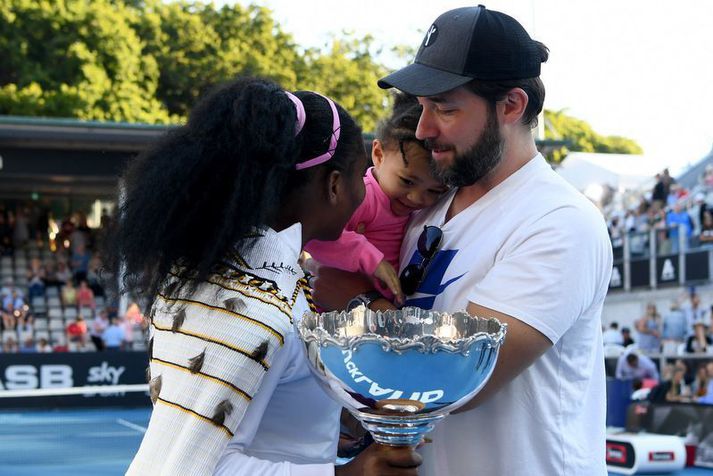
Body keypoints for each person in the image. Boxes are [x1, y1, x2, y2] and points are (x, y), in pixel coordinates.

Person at [315, 6, 612, 476]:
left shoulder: (559, 221)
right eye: (423, 106)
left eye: (446, 109)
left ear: (511, 106)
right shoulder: (425, 202)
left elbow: (461, 377)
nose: (422, 128)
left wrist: (353, 300)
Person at [113, 77, 420, 475]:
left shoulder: (220, 273)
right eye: (360, 176)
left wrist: (335, 418)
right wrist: (347, 474)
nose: (365, 193)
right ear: (333, 185)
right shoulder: (259, 306)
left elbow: (265, 405)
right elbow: (197, 467)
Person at [305, 93, 448, 303]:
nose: (417, 198)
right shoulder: (364, 197)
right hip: (334, 311)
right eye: (407, 181)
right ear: (379, 155)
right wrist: (368, 257)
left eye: (435, 191)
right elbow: (313, 234)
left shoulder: (414, 210)